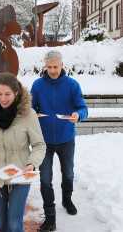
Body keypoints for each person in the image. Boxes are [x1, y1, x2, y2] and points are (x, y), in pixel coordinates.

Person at [0, 72, 46, 232]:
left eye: (7, 94)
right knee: (0, 223)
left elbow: (39, 145)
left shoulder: (28, 115)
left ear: (16, 93)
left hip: (19, 173)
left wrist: (32, 163)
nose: (3, 98)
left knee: (14, 223)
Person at [31, 50, 88, 232]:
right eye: (49, 67)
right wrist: (33, 114)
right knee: (45, 179)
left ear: (62, 65)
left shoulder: (72, 85)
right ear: (45, 66)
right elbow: (30, 108)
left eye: (56, 67)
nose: (53, 70)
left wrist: (78, 115)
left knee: (68, 174)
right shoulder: (38, 85)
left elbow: (83, 107)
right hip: (44, 141)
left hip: (66, 138)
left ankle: (67, 198)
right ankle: (50, 217)